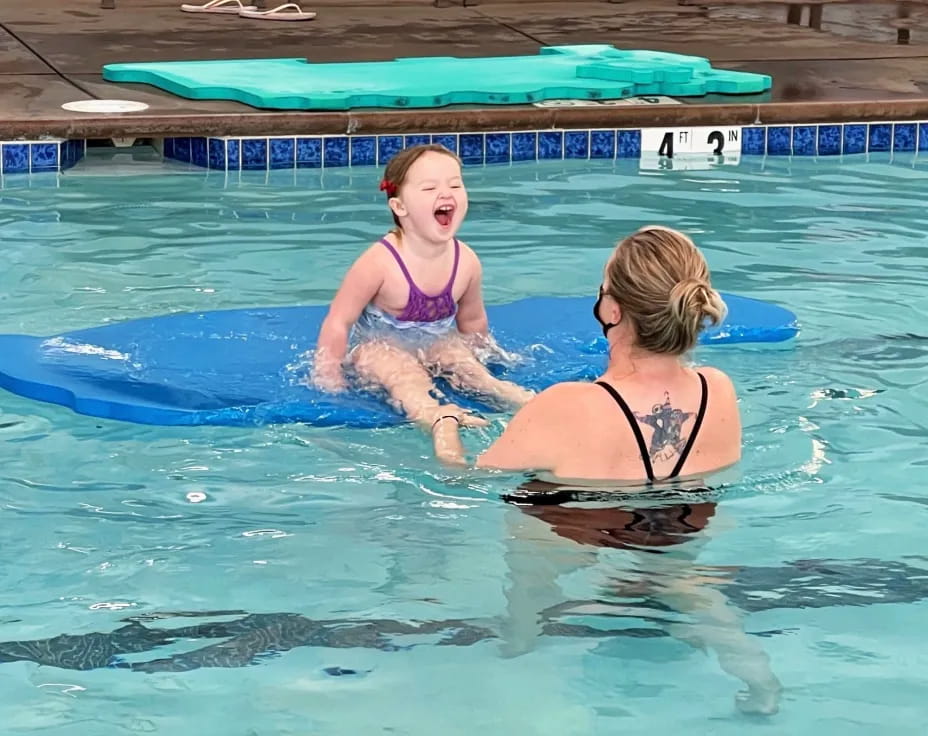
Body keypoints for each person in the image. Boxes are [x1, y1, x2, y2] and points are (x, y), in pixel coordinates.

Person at [432, 225, 740, 481]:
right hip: (687, 540)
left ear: (614, 310)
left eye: (603, 288)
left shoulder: (563, 406)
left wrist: (444, 423)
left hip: (571, 543)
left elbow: (466, 480)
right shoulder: (718, 390)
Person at [313, 143, 532, 428]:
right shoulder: (380, 262)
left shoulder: (465, 261)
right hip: (380, 349)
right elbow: (338, 321)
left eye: (455, 185)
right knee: (399, 371)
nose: (445, 193)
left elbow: (473, 320)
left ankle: (524, 401)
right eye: (429, 189)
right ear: (399, 206)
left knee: (464, 364)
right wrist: (328, 374)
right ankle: (432, 414)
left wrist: (484, 357)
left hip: (433, 344)